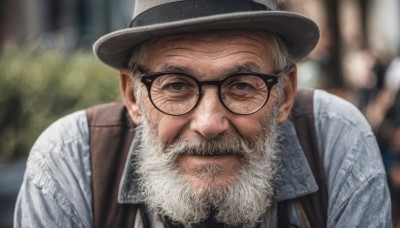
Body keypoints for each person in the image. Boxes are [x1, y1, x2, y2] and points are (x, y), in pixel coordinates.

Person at [14, 0, 392, 227]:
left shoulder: (335, 141)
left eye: (242, 85)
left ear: (286, 93)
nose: (209, 123)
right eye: (176, 85)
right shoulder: (72, 162)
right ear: (132, 96)